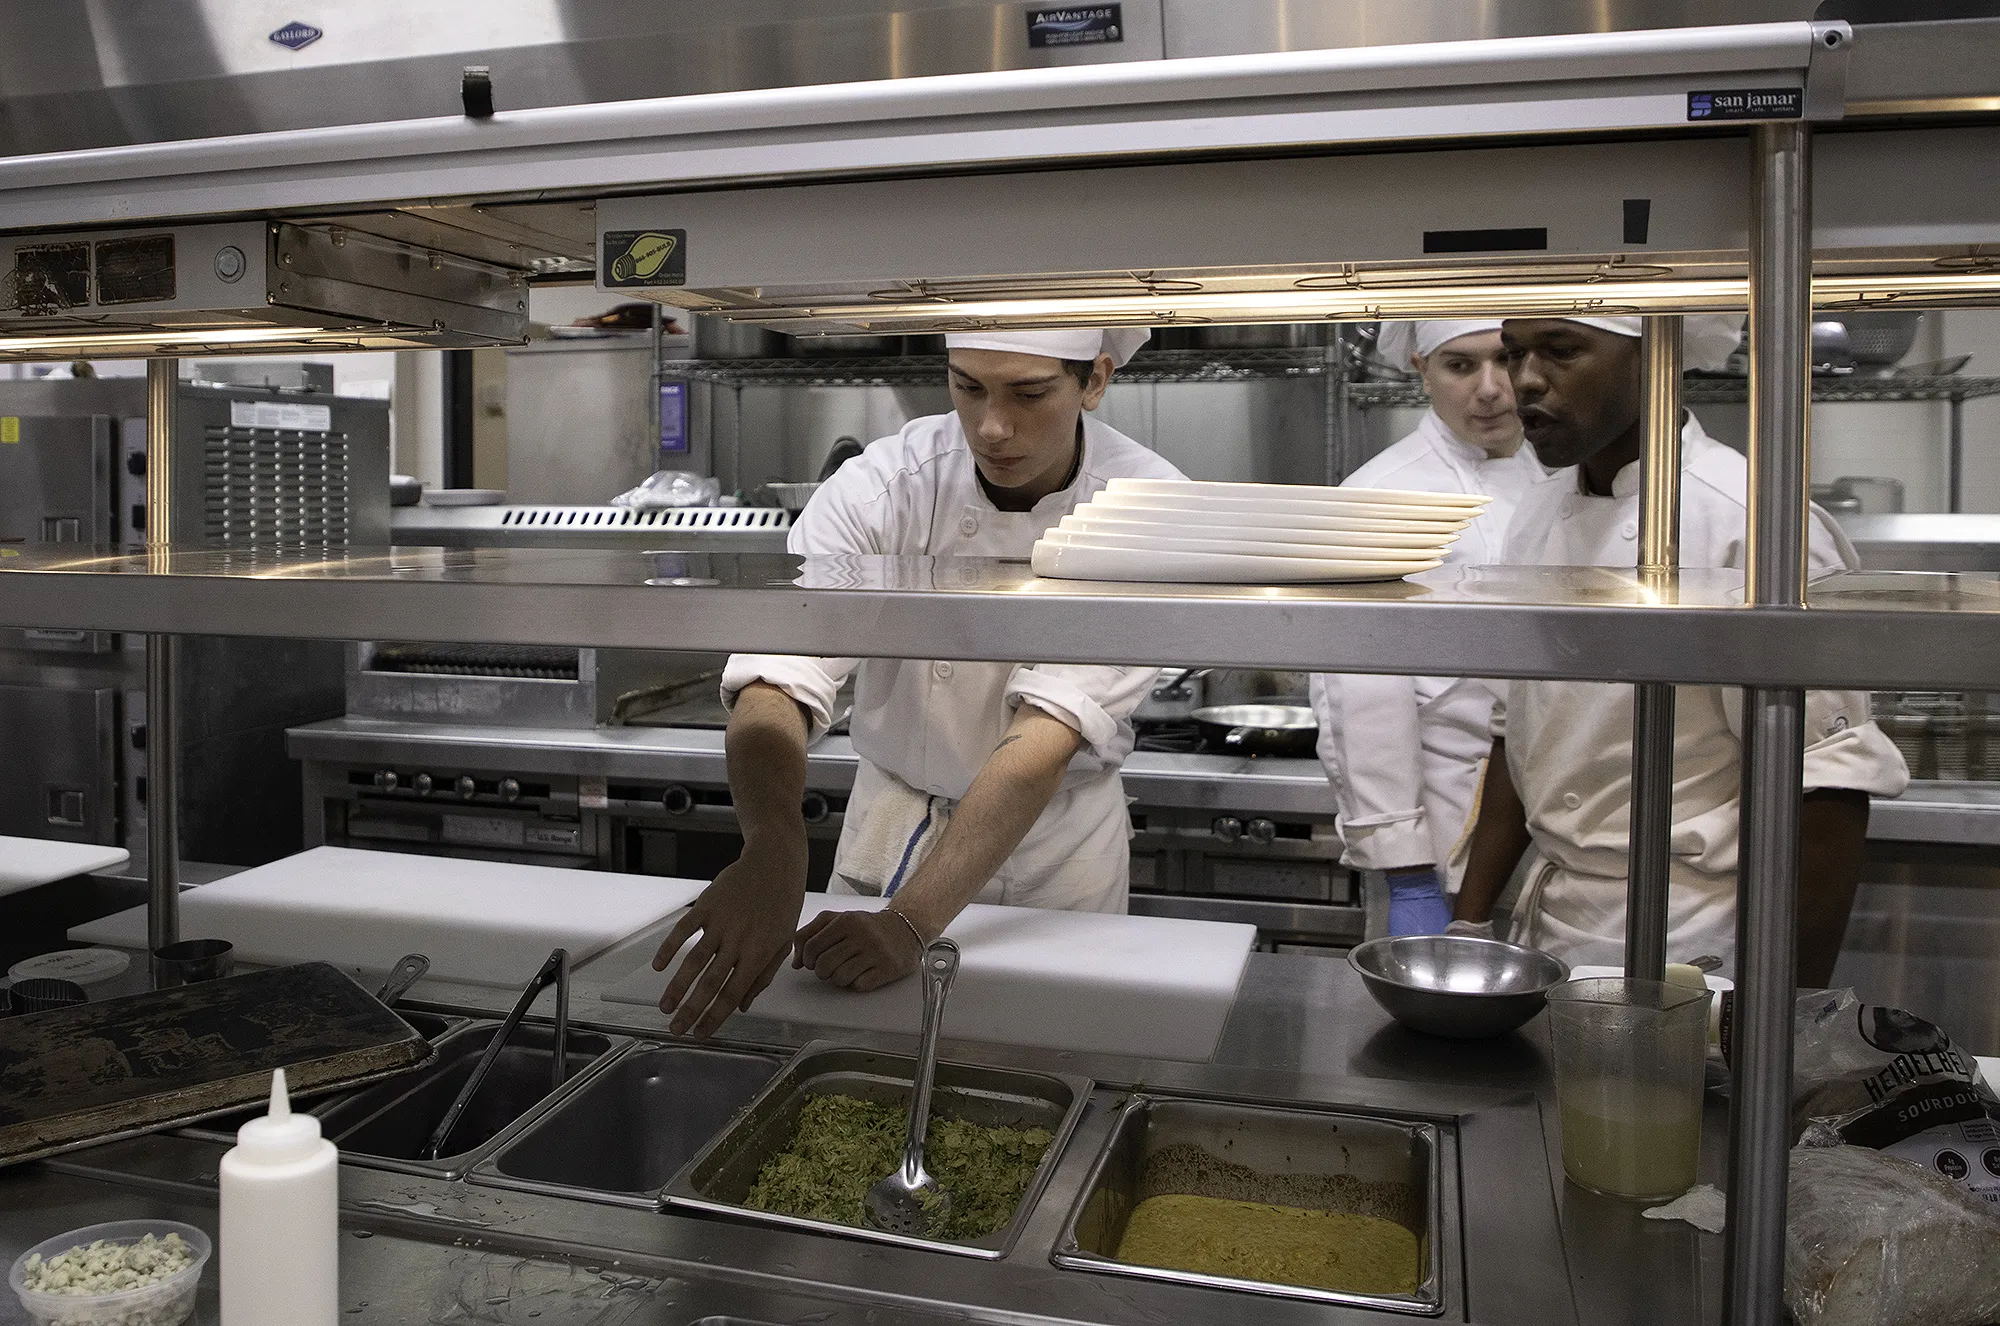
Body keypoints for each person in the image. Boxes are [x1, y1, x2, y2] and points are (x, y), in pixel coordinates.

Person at [652, 327, 1183, 1036]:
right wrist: (772, 847)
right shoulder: (887, 482)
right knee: (845, 1072)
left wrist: (910, 923)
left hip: (1054, 864)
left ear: (1094, 380)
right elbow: (778, 675)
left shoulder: (1147, 506)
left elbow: (1043, 738)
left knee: (1045, 1074)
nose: (992, 427)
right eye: (967, 387)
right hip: (887, 829)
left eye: (1028, 393)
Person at [1450, 315, 1909, 982]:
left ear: (1656, 358)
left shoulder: (1753, 524)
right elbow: (1515, 731)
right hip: (1552, 921)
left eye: (1561, 350)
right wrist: (1467, 926)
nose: (1524, 380)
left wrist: (1784, 1015)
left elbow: (1829, 793)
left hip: (1694, 942)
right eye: (1514, 351)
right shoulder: (1538, 514)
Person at [1308, 320, 1551, 937]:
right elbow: (1360, 695)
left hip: (1559, 835)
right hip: (1442, 833)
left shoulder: (1562, 478)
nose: (1491, 389)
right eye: (1460, 366)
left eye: (1505, 361)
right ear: (1420, 369)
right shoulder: (1381, 495)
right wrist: (1404, 867)